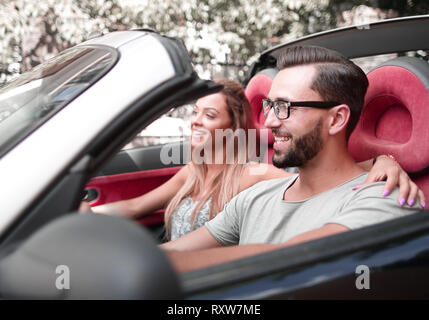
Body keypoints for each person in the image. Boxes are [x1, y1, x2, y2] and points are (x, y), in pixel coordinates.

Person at [160, 45, 424, 272]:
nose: (271, 121)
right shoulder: (256, 196)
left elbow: (287, 262)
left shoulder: (387, 196)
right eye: (270, 106)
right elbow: (174, 252)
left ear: (337, 119)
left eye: (284, 107)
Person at [81, 78, 423, 240]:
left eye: (209, 115)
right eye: (195, 112)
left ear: (233, 125)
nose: (196, 120)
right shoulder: (193, 171)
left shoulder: (254, 175)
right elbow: (133, 207)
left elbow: (326, 178)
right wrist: (76, 212)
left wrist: (384, 160)